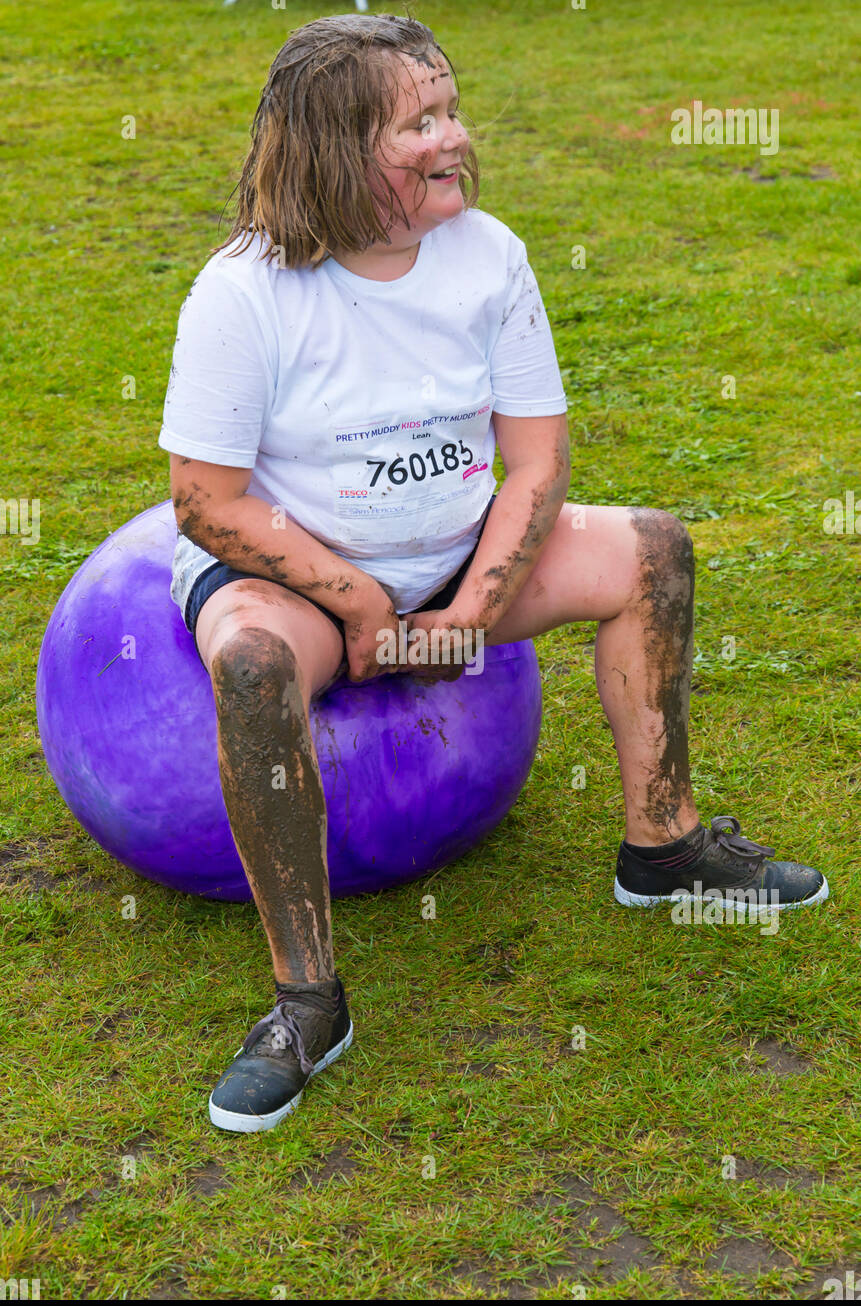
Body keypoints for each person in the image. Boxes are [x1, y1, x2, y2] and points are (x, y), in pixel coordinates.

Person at [158, 14, 827, 1133]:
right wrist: (361, 600)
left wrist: (469, 610)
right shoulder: (244, 292)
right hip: (306, 581)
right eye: (418, 124)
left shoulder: (491, 255)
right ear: (333, 149)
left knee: (651, 546)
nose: (454, 139)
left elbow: (537, 461)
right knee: (257, 669)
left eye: (451, 111)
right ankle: (308, 999)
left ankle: (662, 846)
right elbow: (206, 501)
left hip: (460, 556)